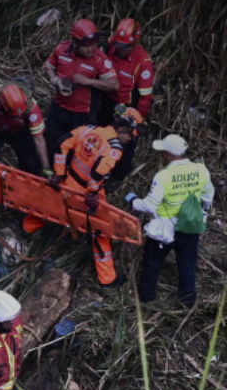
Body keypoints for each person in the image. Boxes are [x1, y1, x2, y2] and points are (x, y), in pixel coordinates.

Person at [22, 108, 139, 288]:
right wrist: (92, 193)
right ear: (124, 128)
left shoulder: (89, 130)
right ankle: (107, 279)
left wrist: (59, 174)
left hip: (68, 181)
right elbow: (98, 171)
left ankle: (26, 229)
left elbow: (63, 143)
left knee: (52, 209)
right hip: (86, 194)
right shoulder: (114, 148)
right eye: (131, 134)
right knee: (101, 231)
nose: (130, 139)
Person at [127, 134, 212, 307]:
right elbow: (208, 196)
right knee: (187, 263)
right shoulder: (201, 170)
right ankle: (187, 300)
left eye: (164, 151)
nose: (162, 154)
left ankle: (146, 297)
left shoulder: (164, 176)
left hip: (164, 230)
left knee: (152, 262)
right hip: (189, 226)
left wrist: (133, 201)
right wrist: (201, 213)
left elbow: (150, 206)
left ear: (171, 154)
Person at [43, 19, 117, 147]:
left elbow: (114, 84)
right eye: (86, 45)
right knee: (52, 143)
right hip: (59, 107)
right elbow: (49, 66)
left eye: (93, 44)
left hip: (83, 113)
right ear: (75, 43)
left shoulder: (99, 59)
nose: (91, 48)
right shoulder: (61, 49)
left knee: (79, 148)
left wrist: (88, 81)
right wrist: (54, 79)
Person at [99, 18, 156, 123]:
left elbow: (145, 96)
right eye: (118, 46)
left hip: (123, 108)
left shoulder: (143, 63)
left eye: (125, 48)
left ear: (135, 43)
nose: (121, 50)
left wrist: (137, 118)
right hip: (104, 99)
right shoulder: (112, 43)